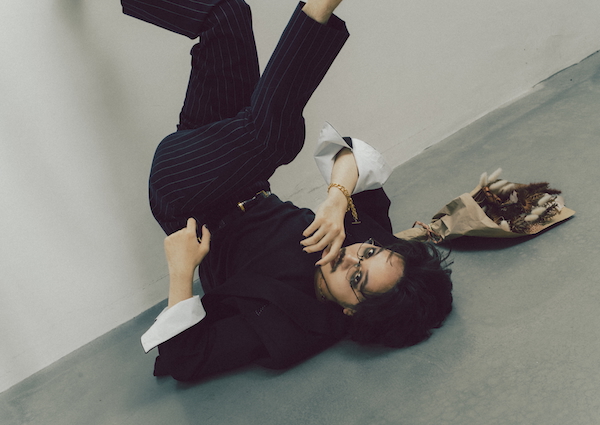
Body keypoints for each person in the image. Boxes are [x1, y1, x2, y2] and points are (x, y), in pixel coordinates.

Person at [123, 0, 453, 382]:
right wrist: (336, 200)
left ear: (354, 313)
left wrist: (181, 271)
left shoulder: (291, 327)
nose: (349, 258)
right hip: (229, 162)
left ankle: (318, 8)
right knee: (227, 15)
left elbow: (186, 358)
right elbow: (350, 153)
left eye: (356, 279)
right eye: (369, 252)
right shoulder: (362, 240)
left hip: (186, 195)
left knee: (274, 138)